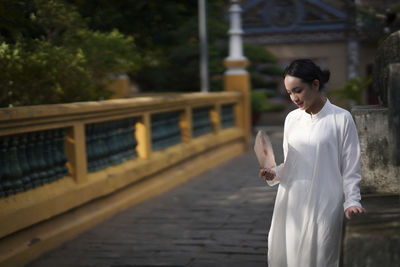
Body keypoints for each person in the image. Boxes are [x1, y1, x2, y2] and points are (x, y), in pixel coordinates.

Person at [259, 59, 366, 267]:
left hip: (325, 203)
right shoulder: (291, 119)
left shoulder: (341, 119)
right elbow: (291, 164)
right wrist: (273, 173)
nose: (294, 98)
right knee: (291, 257)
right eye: (289, 93)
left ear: (315, 85)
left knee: (321, 256)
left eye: (297, 91)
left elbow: (351, 167)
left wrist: (352, 201)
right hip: (292, 201)